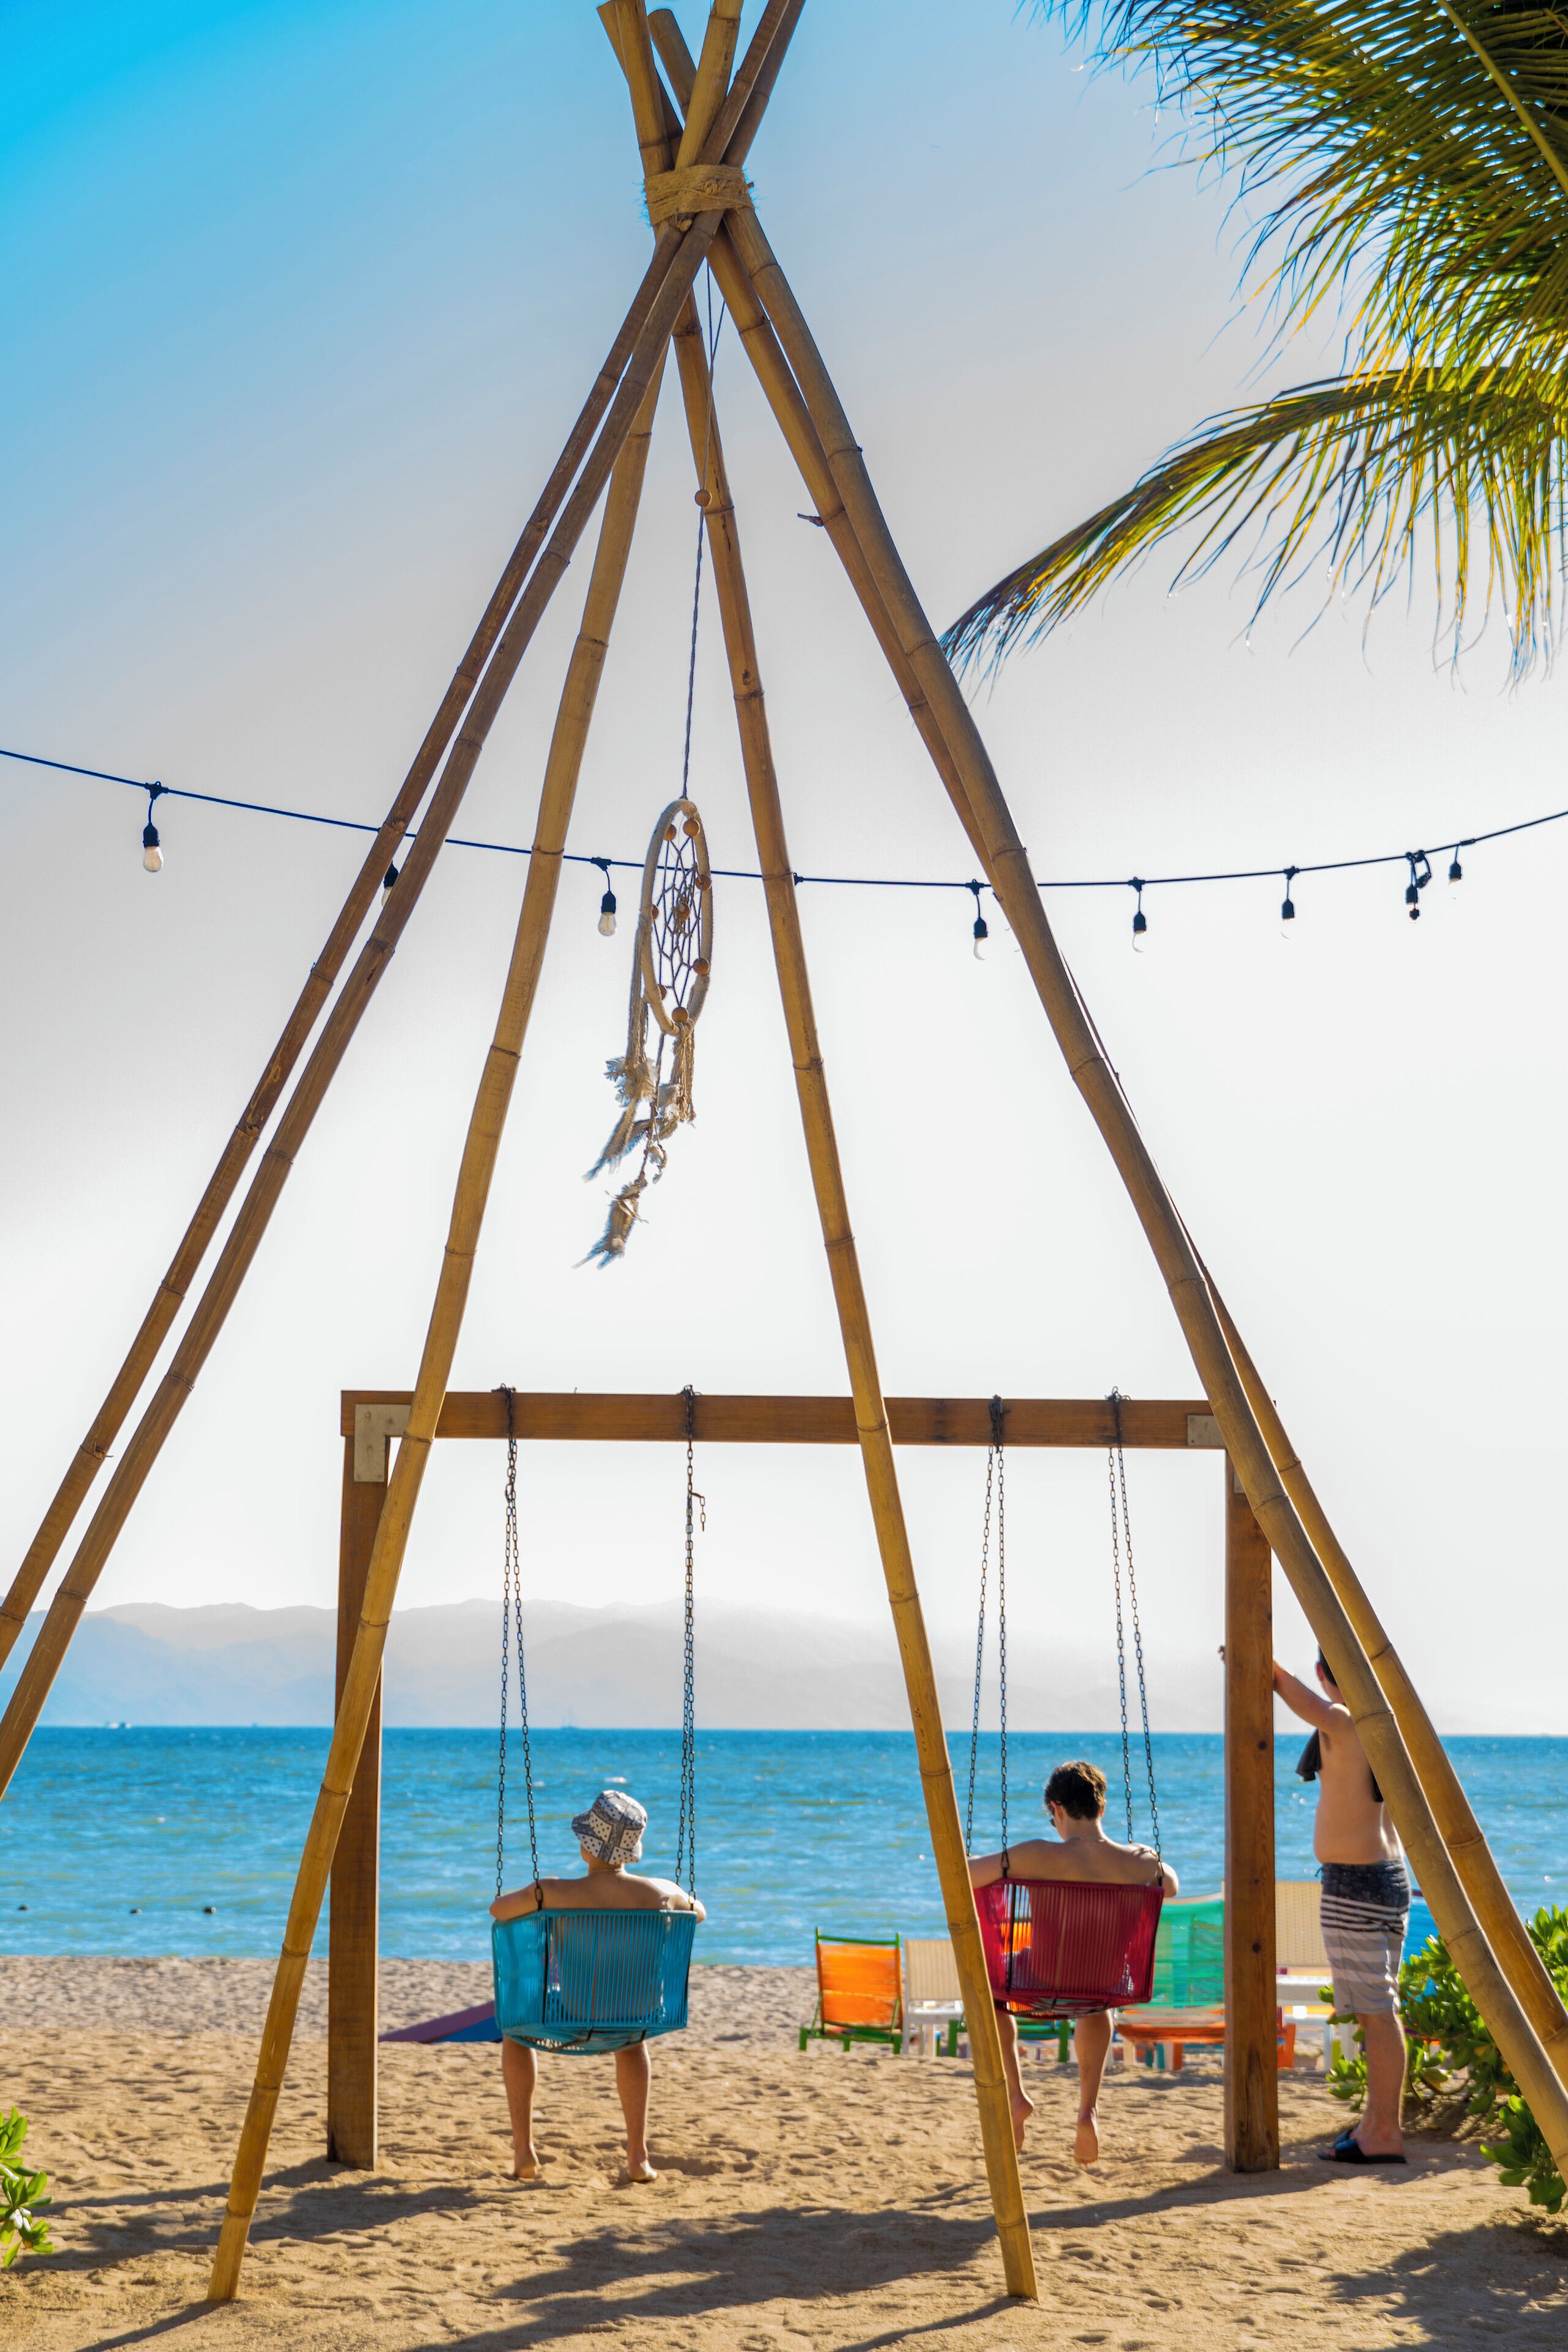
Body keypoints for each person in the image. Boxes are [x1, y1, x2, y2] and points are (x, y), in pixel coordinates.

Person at [489, 1787, 705, 2185]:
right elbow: (700, 1912)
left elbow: (498, 1910)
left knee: (515, 2034)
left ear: (588, 1847)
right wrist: (671, 1893)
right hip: (635, 2014)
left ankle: (523, 2152)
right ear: (630, 1851)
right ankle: (638, 2157)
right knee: (632, 2044)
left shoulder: (553, 1892)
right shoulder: (659, 1892)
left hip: (574, 2011)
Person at [968, 1759, 1178, 2165]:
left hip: (1038, 1979)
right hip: (1104, 1984)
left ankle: (1016, 2095)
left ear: (1057, 1809)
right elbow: (1170, 1884)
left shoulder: (1035, 1855)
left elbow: (962, 1875)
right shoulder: (1139, 1861)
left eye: (1053, 1818)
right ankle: (1087, 2111)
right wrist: (1147, 1859)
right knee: (1097, 2005)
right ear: (1102, 1808)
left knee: (989, 1994)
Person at [1273, 1648, 1409, 2163]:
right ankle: (1375, 2124)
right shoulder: (1386, 1725)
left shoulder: (1348, 1720)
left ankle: (1385, 2133)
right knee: (1380, 2012)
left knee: (1377, 2014)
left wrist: (1267, 1669)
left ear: (1323, 1673)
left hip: (1354, 1885)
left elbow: (1299, 1698)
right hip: (1390, 1880)